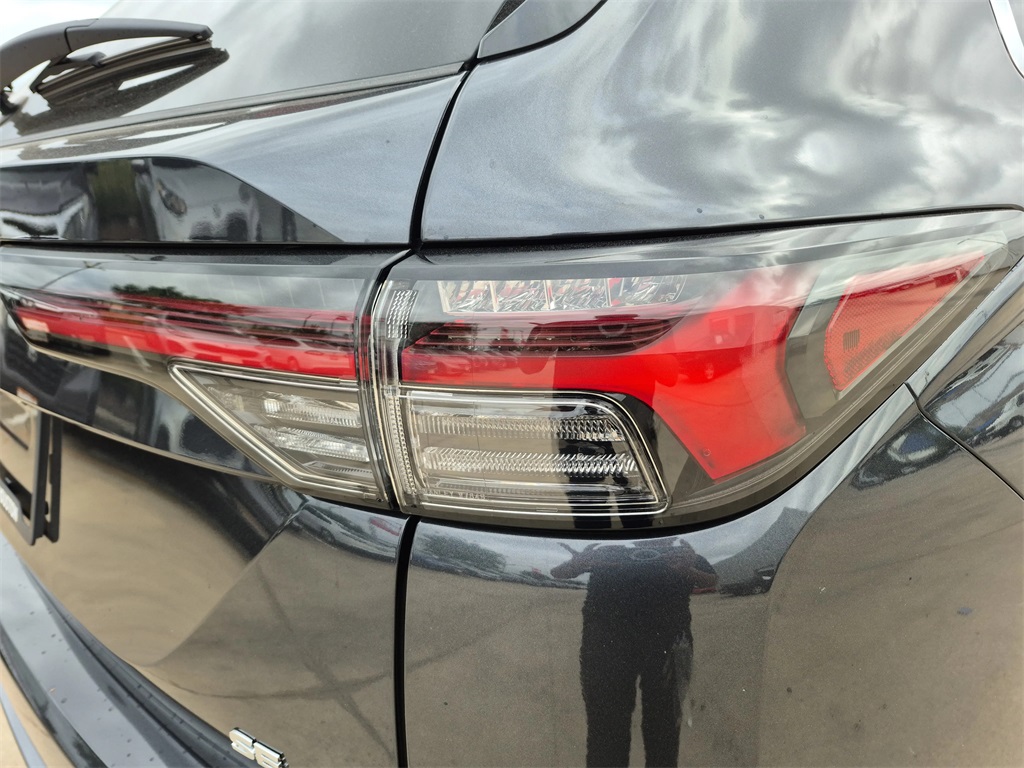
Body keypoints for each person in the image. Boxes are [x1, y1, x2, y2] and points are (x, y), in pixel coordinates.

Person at [552, 538, 717, 767]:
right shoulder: (608, 551)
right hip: (608, 644)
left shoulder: (683, 555)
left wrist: (687, 569)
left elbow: (713, 581)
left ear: (671, 538)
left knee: (665, 723)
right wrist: (579, 563)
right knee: (606, 724)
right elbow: (557, 573)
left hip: (667, 642)